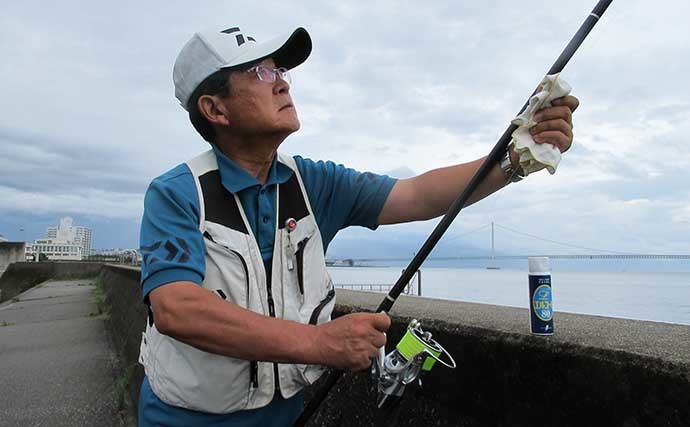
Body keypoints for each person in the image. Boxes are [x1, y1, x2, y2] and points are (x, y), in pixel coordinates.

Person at [137, 25, 579, 426]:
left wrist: (515, 156)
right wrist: (318, 344)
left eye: (281, 71)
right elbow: (177, 308)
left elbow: (416, 194)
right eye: (261, 73)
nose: (283, 82)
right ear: (215, 108)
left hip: (290, 414)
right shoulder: (176, 193)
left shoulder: (312, 182)